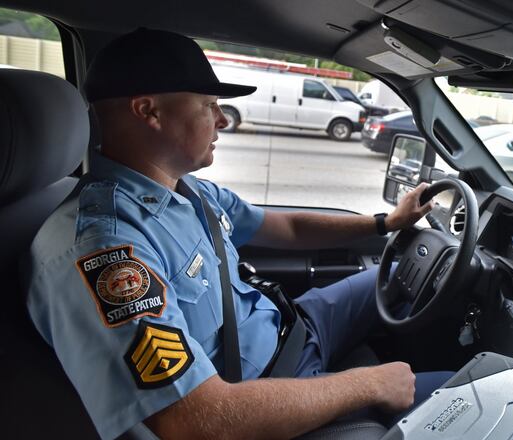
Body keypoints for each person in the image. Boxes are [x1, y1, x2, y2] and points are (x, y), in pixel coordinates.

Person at [24, 28, 451, 440]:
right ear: (148, 111)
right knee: (474, 390)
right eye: (208, 105)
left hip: (292, 327)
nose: (223, 119)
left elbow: (286, 226)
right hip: (262, 391)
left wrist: (385, 224)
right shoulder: (105, 248)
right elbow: (195, 420)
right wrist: (370, 383)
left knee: (401, 273)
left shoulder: (188, 191)